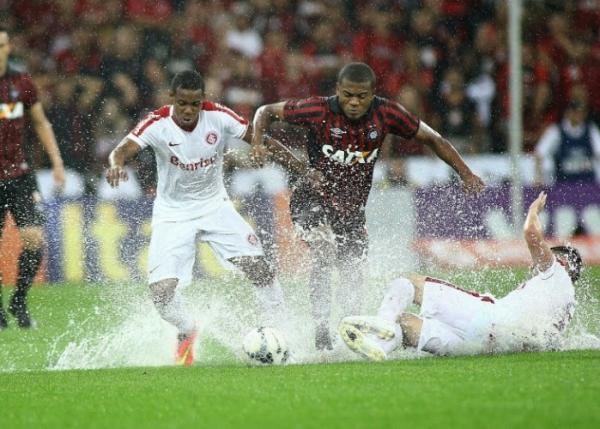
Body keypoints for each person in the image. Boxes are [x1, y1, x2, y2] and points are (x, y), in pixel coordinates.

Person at [251, 62, 484, 351]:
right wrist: (258, 142)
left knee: (352, 270)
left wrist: (465, 173)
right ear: (338, 90)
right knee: (324, 252)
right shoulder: (318, 109)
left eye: (362, 96)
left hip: (351, 210)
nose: (354, 102)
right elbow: (266, 112)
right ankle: (322, 331)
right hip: (310, 198)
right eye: (348, 95)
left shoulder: (387, 114)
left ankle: (349, 325)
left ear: (373, 94)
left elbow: (432, 138)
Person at [106, 70, 315, 366]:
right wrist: (115, 165)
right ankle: (187, 328)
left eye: (195, 103)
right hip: (173, 213)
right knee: (161, 292)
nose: (189, 110)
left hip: (215, 206)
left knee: (260, 269)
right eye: (183, 104)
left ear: (203, 100)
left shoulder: (218, 116)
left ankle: (282, 336)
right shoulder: (157, 123)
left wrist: (302, 170)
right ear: (172, 99)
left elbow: (261, 139)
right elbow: (122, 150)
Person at [339, 191, 581, 360]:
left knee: (409, 283)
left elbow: (531, 233)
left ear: (564, 263)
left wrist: (533, 210)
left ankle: (382, 325)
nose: (539, 262)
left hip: (485, 318)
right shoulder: (564, 306)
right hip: (485, 348)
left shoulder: (557, 272)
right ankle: (379, 347)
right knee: (404, 325)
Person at [0, 25, 65, 329]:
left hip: (21, 174)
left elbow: (41, 123)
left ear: (8, 47)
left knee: (34, 240)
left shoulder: (21, 82)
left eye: (1, 45)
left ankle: (19, 301)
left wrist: (57, 162)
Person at [535, 94, 600, 185]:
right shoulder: (556, 131)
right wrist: (539, 178)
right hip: (564, 186)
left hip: (588, 185)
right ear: (568, 113)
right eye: (576, 112)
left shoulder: (591, 130)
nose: (579, 115)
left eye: (581, 112)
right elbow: (539, 153)